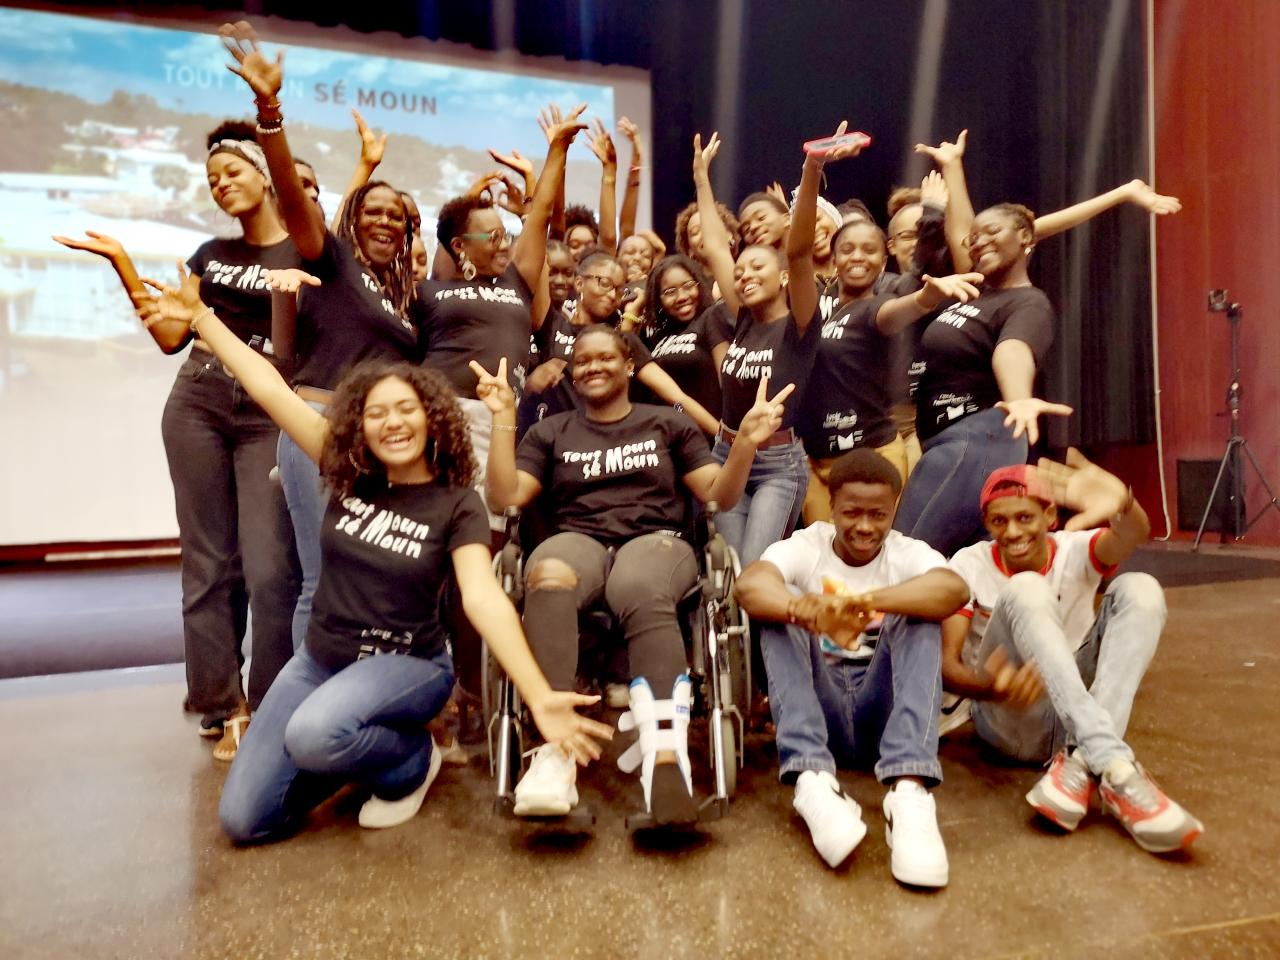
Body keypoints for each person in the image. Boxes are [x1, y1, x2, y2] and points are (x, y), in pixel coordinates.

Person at [136, 264, 612, 842]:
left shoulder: (456, 503)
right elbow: (269, 389)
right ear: (358, 425)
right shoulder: (347, 475)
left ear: (432, 417)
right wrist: (203, 320)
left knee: (314, 733)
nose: (393, 423)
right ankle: (343, 750)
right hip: (321, 661)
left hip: (406, 666)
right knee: (245, 820)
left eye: (406, 409)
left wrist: (538, 695)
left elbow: (483, 597)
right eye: (377, 412)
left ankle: (410, 760)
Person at [473, 326, 793, 825]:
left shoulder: (667, 423)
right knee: (548, 570)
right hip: (577, 540)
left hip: (656, 539)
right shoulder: (551, 431)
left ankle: (665, 758)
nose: (592, 367)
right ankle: (554, 753)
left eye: (605, 358)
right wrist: (502, 418)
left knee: (638, 583)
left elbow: (719, 495)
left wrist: (745, 445)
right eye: (582, 360)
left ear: (628, 366)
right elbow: (505, 498)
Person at [53, 118, 301, 763]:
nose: (221, 185)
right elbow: (170, 337)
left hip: (268, 412)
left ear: (264, 174)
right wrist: (123, 263)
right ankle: (223, 704)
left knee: (270, 568)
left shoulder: (302, 252)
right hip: (198, 402)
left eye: (232, 171)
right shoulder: (210, 256)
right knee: (208, 562)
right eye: (212, 179)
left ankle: (271, 701)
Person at [221, 20, 420, 653]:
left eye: (397, 215)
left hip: (377, 439)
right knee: (321, 580)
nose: (386, 221)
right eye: (373, 211)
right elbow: (291, 199)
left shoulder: (401, 299)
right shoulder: (330, 261)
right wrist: (270, 113)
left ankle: (359, 696)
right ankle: (311, 704)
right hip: (319, 424)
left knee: (367, 577)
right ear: (351, 220)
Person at [941, 455, 1203, 854]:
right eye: (999, 521)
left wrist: (1123, 502)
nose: (1012, 532)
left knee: (1142, 589)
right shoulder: (968, 563)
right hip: (1009, 718)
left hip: (1074, 716)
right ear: (987, 524)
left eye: (1024, 518)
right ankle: (1114, 764)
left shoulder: (1073, 548)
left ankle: (1084, 761)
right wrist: (991, 688)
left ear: (1049, 515)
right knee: (1026, 587)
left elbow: (1133, 533)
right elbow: (948, 665)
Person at [734, 449, 968, 886]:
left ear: (894, 507)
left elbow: (954, 590)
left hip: (884, 720)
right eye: (851, 513)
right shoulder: (807, 545)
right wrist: (804, 610)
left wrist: (862, 602)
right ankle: (813, 781)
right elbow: (749, 586)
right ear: (832, 506)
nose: (864, 526)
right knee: (781, 608)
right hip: (819, 715)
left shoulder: (907, 553)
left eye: (878, 515)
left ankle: (909, 792)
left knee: (921, 609)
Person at [413, 102, 585, 525]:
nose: (504, 243)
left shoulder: (516, 281)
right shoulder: (431, 291)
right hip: (441, 416)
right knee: (432, 528)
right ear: (460, 246)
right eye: (492, 237)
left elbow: (539, 215)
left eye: (504, 234)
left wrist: (557, 152)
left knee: (489, 527)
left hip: (500, 419)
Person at [692, 125, 857, 566]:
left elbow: (799, 251)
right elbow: (715, 246)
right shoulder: (743, 317)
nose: (743, 275)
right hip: (727, 452)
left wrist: (811, 168)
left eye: (756, 268)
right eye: (739, 271)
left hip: (777, 465)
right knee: (730, 570)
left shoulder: (800, 323)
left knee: (756, 570)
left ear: (783, 276)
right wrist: (701, 180)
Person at [891, 202, 1073, 556]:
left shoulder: (1029, 303)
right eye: (973, 238)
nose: (979, 242)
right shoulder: (974, 292)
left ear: (1025, 237)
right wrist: (952, 171)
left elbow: (1012, 350)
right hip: (950, 442)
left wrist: (1018, 398)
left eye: (992, 232)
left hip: (978, 437)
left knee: (903, 558)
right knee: (964, 567)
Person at [799, 207, 982, 523]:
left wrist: (925, 298)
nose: (858, 256)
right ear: (835, 259)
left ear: (883, 262)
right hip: (817, 460)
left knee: (868, 547)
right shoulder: (826, 312)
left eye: (869, 250)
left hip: (871, 457)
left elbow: (896, 312)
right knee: (819, 551)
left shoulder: (876, 307)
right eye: (848, 249)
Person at [522, 251, 719, 435]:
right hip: (553, 441)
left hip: (606, 443)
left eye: (619, 290)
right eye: (605, 284)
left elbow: (676, 397)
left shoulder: (623, 340)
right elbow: (536, 259)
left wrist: (726, 439)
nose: (612, 296)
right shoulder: (553, 327)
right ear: (579, 283)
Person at [633, 254, 728, 434]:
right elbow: (628, 351)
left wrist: (727, 437)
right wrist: (633, 311)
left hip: (710, 436)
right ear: (657, 299)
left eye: (688, 286)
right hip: (667, 436)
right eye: (670, 292)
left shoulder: (711, 318)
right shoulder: (657, 335)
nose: (682, 296)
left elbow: (728, 383)